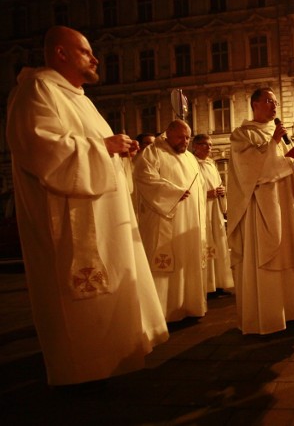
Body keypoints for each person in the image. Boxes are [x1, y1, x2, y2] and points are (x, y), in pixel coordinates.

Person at [5, 26, 168, 387]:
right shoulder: (38, 89)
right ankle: (84, 372)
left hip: (103, 217)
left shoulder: (78, 97)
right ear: (60, 53)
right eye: (85, 52)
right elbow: (39, 148)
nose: (95, 58)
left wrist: (119, 152)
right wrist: (103, 148)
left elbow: (94, 146)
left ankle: (115, 362)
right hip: (69, 223)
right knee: (82, 302)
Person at [227, 87, 294, 335]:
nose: (274, 106)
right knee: (269, 254)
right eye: (268, 101)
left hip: (288, 204)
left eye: (275, 102)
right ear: (255, 104)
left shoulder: (280, 136)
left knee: (290, 252)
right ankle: (268, 316)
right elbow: (249, 171)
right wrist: (274, 142)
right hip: (263, 207)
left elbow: (292, 168)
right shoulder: (242, 135)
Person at [134, 120, 208, 322]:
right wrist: (172, 193)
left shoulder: (191, 159)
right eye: (180, 137)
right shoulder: (153, 152)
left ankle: (190, 306)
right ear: (168, 134)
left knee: (187, 262)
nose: (184, 141)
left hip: (189, 221)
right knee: (167, 265)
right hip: (165, 219)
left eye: (187, 137)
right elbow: (143, 177)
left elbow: (199, 187)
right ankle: (164, 312)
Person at [192, 134, 234, 298]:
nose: (208, 148)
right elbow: (190, 187)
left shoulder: (211, 164)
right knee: (206, 244)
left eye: (210, 145)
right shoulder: (191, 163)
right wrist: (205, 193)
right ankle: (208, 285)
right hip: (202, 210)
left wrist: (222, 191)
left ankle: (220, 283)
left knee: (218, 244)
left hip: (214, 210)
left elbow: (218, 183)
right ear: (195, 146)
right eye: (204, 144)